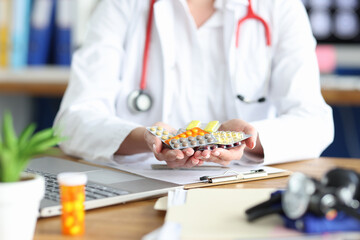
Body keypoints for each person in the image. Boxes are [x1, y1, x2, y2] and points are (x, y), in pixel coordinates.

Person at [54, 0, 334, 168]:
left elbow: (314, 122)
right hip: (144, 187)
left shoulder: (278, 7)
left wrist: (250, 139)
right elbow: (72, 122)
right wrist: (145, 138)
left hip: (243, 186)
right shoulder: (121, 6)